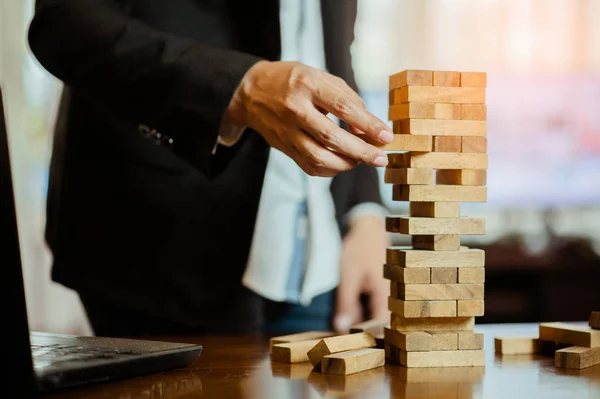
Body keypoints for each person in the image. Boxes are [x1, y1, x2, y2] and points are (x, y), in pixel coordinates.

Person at [27, 0, 391, 336]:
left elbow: (328, 50)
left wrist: (366, 214)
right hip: (161, 247)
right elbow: (64, 21)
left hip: (322, 265)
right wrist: (236, 87)